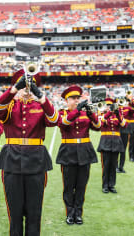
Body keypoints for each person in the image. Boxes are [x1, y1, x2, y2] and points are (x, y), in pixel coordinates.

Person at [0, 69, 58, 236]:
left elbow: (54, 120)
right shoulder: (10, 105)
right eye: (23, 85)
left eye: (30, 85)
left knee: (34, 212)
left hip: (36, 162)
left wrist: (40, 96)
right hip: (12, 161)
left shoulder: (40, 105)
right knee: (15, 212)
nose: (26, 89)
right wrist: (13, 90)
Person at [56, 85, 100, 225]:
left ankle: (78, 213)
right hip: (68, 152)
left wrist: (91, 113)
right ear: (66, 101)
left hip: (85, 151)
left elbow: (98, 126)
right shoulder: (62, 113)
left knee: (81, 185)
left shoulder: (85, 113)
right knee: (69, 186)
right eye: (72, 99)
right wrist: (77, 110)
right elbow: (64, 124)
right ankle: (70, 213)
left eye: (77, 98)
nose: (75, 101)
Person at [97, 98, 127, 194]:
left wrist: (118, 114)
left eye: (111, 105)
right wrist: (109, 112)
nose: (110, 107)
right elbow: (101, 123)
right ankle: (105, 185)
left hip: (116, 142)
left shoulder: (118, 116)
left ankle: (111, 185)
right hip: (105, 142)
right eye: (108, 105)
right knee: (106, 165)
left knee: (113, 165)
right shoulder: (102, 115)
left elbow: (124, 125)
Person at [117, 99, 132, 173]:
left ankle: (121, 167)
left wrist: (129, 101)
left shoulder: (127, 108)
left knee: (123, 150)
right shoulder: (117, 109)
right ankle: (116, 167)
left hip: (125, 130)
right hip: (118, 130)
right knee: (116, 149)